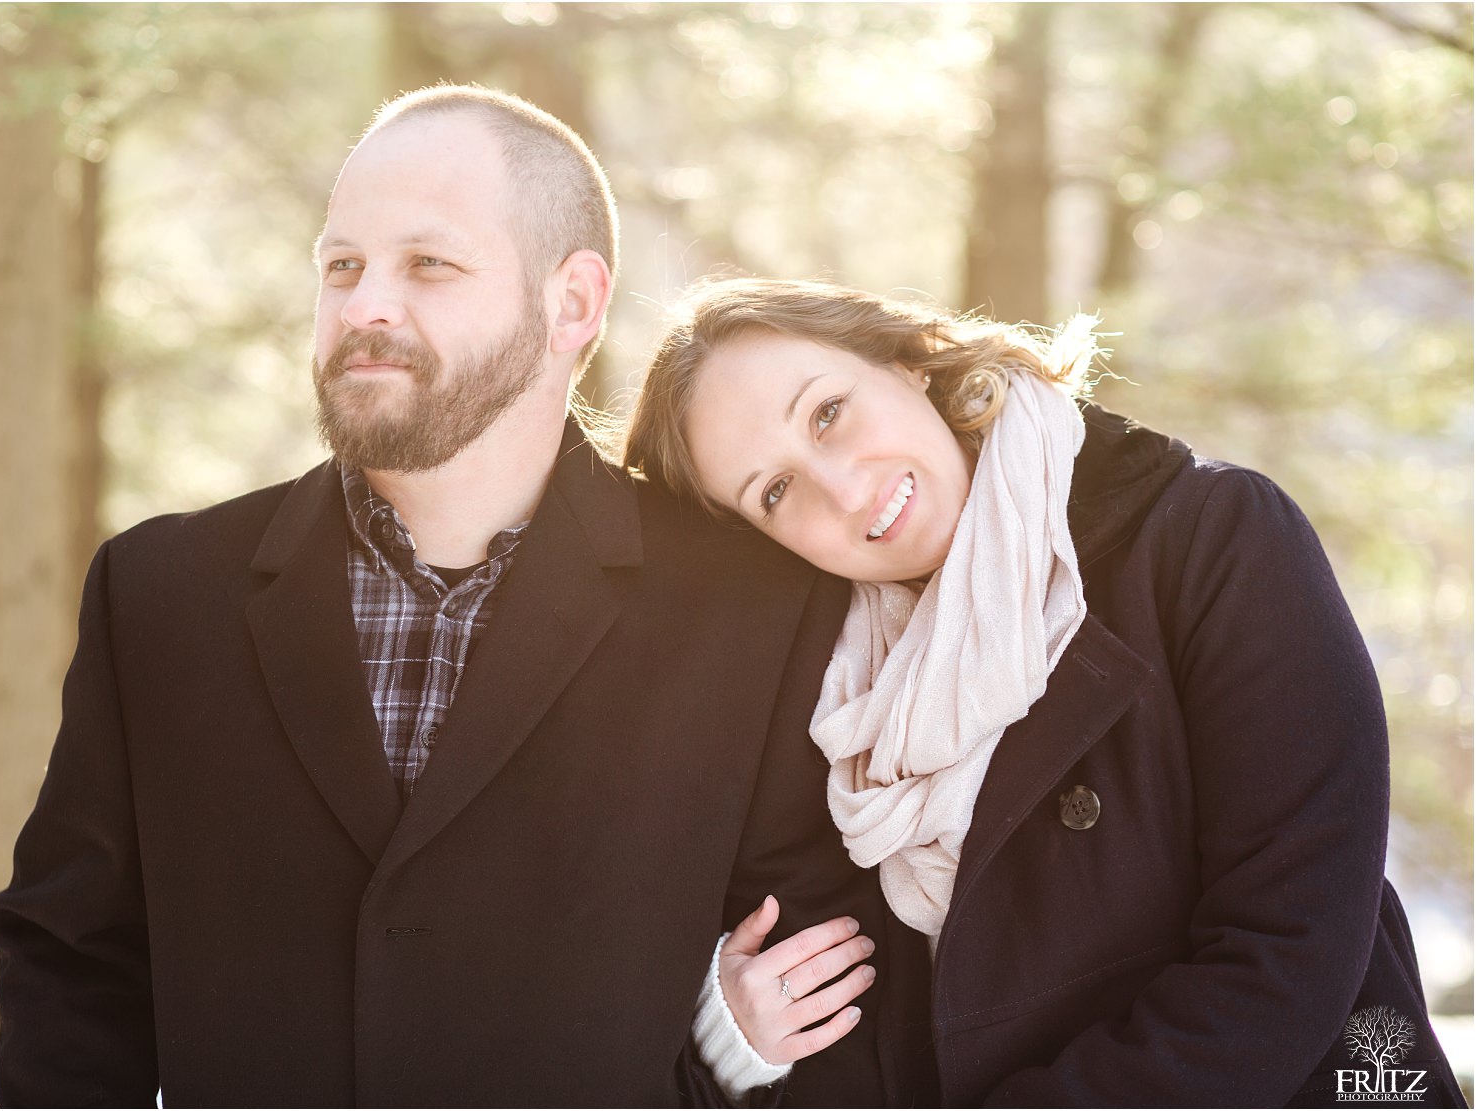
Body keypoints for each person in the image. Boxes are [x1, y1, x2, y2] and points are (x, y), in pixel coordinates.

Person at [0, 90, 900, 1107]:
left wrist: (714, 1064)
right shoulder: (159, 596)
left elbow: (836, 1016)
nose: (366, 304)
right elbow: (71, 969)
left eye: (428, 263)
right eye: (343, 266)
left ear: (574, 303)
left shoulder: (757, 613)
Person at [628, 277, 1465, 1107]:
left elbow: (1287, 955)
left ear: (906, 361)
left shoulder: (1212, 537)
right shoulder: (826, 702)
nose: (844, 491)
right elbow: (857, 1042)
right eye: (773, 492)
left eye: (827, 413)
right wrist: (729, 1048)